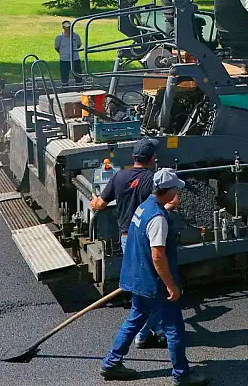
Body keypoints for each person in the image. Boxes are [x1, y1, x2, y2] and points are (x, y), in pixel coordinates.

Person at [100, 168, 208, 385]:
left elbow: (150, 225)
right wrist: (171, 285)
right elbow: (158, 256)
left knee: (135, 320)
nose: (178, 192)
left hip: (138, 278)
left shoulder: (144, 207)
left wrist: (166, 209)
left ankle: (111, 363)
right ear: (168, 191)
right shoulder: (158, 219)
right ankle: (182, 375)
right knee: (174, 327)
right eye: (175, 188)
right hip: (154, 283)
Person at [90, 137, 163, 348]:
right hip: (148, 238)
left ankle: (154, 328)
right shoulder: (153, 179)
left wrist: (93, 201)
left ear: (133, 157)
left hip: (127, 239)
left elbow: (100, 204)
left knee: (140, 285)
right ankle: (144, 333)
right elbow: (167, 203)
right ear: (152, 158)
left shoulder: (119, 176)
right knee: (153, 287)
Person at [54, 20, 83, 86]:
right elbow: (56, 47)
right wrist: (63, 53)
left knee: (78, 76)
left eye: (69, 27)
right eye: (66, 27)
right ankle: (65, 88)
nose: (68, 29)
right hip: (64, 60)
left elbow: (78, 45)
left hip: (75, 59)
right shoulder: (59, 37)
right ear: (63, 27)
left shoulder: (76, 36)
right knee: (64, 77)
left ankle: (80, 87)